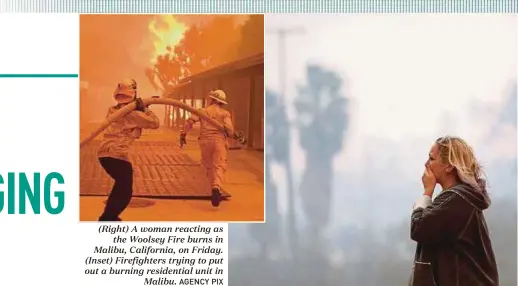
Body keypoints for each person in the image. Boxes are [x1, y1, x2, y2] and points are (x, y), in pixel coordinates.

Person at [409, 136, 498, 286]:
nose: (426, 164)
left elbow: (420, 228)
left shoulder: (458, 198)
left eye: (431, 159)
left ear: (449, 166)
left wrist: (427, 193)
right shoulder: (459, 198)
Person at [97, 79, 160, 221]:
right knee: (125, 191)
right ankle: (108, 218)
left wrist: (138, 107)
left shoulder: (113, 110)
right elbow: (155, 123)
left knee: (120, 185)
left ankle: (109, 217)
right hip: (116, 154)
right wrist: (144, 108)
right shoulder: (133, 114)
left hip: (105, 154)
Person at [181, 89, 234, 207]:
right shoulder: (225, 114)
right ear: (221, 102)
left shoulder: (202, 111)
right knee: (219, 165)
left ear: (212, 99)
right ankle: (216, 187)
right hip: (219, 142)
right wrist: (232, 134)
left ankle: (213, 188)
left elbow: (190, 121)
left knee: (208, 166)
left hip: (205, 142)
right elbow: (230, 130)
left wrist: (183, 134)